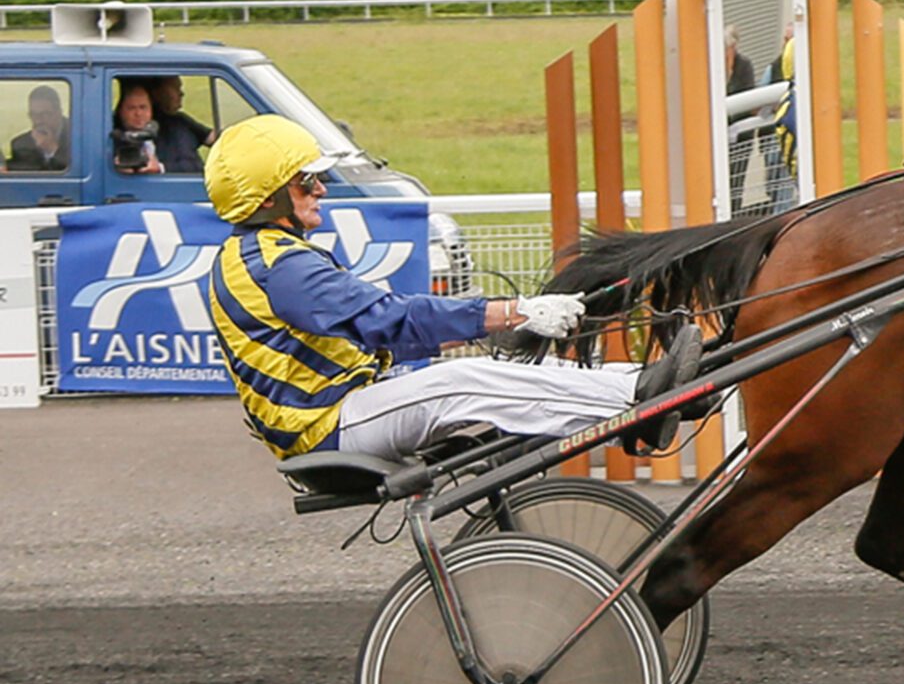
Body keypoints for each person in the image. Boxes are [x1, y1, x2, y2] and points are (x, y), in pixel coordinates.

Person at [203, 115, 704, 462]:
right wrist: (516, 312)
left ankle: (640, 385)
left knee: (502, 370)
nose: (321, 190)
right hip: (327, 425)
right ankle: (636, 400)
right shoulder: (276, 265)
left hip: (343, 409)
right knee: (460, 382)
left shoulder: (263, 255)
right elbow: (388, 320)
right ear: (268, 198)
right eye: (305, 182)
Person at [140, 76, 214, 173]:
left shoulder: (180, 120)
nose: (181, 93)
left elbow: (212, 137)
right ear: (157, 92)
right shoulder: (140, 129)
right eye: (175, 88)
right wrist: (161, 168)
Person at [6, 85, 70, 171]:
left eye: (45, 114)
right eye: (33, 115)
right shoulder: (20, 145)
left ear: (59, 113)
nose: (38, 121)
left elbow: (81, 170)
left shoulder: (79, 135)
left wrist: (52, 149)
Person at [110, 83, 164, 175]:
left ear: (151, 110)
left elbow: (189, 166)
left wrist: (159, 167)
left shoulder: (168, 134)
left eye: (143, 107)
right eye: (131, 108)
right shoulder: (111, 140)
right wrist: (114, 169)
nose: (138, 113)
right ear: (121, 111)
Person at [725, 25, 756, 94]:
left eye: (727, 48)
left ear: (734, 46)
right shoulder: (716, 65)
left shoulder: (745, 66)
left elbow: (750, 92)